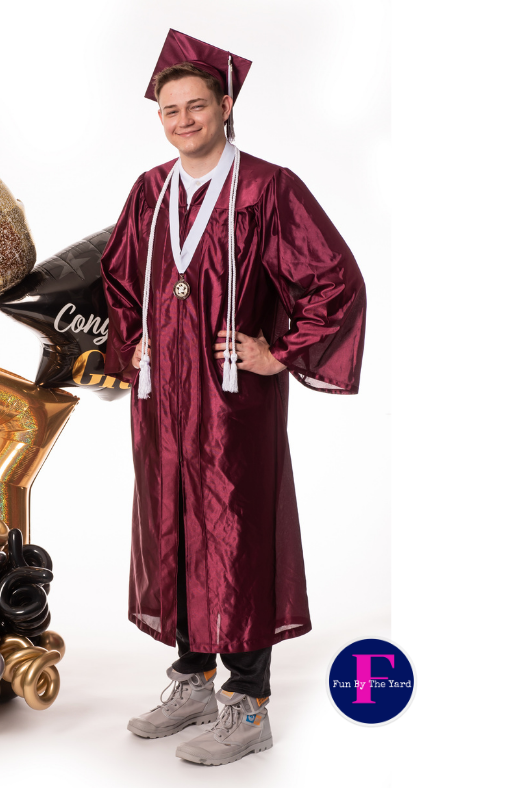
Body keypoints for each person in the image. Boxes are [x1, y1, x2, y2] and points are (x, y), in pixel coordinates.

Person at [100, 29, 366, 766]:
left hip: (232, 401)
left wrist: (277, 353)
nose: (182, 120)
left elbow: (334, 279)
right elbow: (119, 283)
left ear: (225, 106)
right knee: (174, 523)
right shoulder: (150, 192)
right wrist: (132, 345)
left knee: (237, 534)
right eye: (169, 109)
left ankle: (247, 706)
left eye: (195, 106)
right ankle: (192, 681)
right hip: (162, 402)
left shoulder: (266, 188)